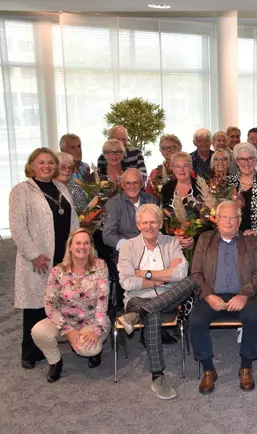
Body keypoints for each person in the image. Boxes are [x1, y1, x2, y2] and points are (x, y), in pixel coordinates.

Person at [116, 204, 196, 399]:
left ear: (160, 223)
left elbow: (181, 273)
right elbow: (126, 281)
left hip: (166, 297)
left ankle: (138, 314)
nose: (149, 226)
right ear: (138, 224)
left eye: (153, 222)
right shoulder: (128, 247)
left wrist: (147, 274)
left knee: (192, 280)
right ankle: (158, 376)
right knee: (153, 315)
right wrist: (164, 277)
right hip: (137, 299)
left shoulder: (171, 242)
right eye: (145, 222)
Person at [10, 148, 79, 369]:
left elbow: (74, 220)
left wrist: (77, 250)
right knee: (36, 305)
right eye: (41, 162)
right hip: (38, 258)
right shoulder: (22, 190)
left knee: (60, 300)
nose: (47, 166)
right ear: (32, 165)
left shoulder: (61, 188)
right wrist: (33, 255)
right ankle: (30, 352)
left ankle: (54, 341)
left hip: (63, 254)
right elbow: (18, 227)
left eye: (50, 162)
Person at [188, 200, 257, 394]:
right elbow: (195, 273)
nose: (228, 221)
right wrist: (208, 296)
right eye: (224, 217)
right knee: (195, 320)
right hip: (212, 295)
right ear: (217, 220)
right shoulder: (205, 239)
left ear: (239, 221)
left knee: (254, 317)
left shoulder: (251, 241)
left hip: (243, 296)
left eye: (233, 217)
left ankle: (246, 366)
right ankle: (208, 369)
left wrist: (244, 295)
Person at [31, 228, 110, 382]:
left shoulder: (100, 266)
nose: (82, 246)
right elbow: (50, 304)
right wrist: (69, 331)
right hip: (65, 321)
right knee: (38, 331)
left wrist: (96, 330)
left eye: (86, 243)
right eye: (78, 243)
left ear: (91, 247)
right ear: (70, 247)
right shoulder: (57, 272)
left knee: (88, 350)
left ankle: (94, 347)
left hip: (92, 320)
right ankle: (55, 362)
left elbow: (102, 300)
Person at [227, 143, 257, 243]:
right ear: (237, 161)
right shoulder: (229, 181)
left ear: (256, 160)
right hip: (232, 236)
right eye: (242, 159)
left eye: (250, 158)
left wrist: (255, 231)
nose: (246, 162)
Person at [103, 168, 159, 255]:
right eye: (128, 183)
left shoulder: (151, 199)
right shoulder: (113, 204)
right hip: (125, 253)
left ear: (141, 184)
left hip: (152, 250)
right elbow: (108, 235)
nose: (132, 187)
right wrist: (131, 247)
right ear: (122, 185)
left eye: (135, 183)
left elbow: (158, 226)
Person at [160, 151, 202, 223]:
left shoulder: (200, 187)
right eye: (177, 166)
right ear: (172, 169)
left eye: (185, 166)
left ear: (191, 167)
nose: (181, 170)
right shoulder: (166, 188)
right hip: (171, 232)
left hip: (197, 232)